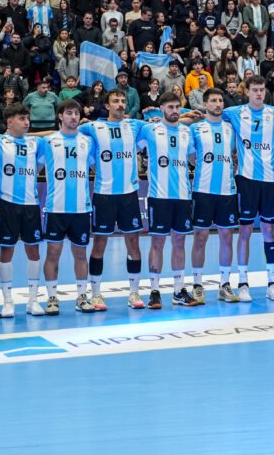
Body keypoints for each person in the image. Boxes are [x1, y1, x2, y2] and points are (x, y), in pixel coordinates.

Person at [223, 74, 274, 299]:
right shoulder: (236, 113)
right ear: (247, 91)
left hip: (270, 180)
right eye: (255, 90)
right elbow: (207, 114)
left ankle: (272, 283)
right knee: (244, 231)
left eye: (262, 90)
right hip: (246, 180)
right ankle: (243, 283)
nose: (258, 93)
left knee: (268, 230)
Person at [83, 89, 149, 308]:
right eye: (115, 101)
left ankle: (134, 293)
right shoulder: (94, 127)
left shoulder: (136, 126)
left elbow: (167, 118)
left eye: (123, 101)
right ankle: (96, 293)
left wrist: (189, 115)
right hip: (104, 194)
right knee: (100, 242)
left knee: (133, 242)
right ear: (107, 106)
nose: (120, 104)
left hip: (129, 194)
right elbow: (65, 129)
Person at [36, 98, 99, 312]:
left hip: (82, 208)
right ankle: (52, 298)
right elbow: (35, 168)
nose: (74, 117)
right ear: (60, 116)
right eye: (69, 113)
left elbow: (95, 166)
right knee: (53, 253)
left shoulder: (88, 142)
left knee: (80, 254)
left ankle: (82, 296)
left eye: (76, 113)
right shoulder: (49, 142)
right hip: (56, 208)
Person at [139, 92, 195, 307]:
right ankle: (154, 290)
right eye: (170, 107)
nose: (174, 111)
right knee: (158, 242)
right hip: (158, 196)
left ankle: (179, 290)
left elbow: (191, 157)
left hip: (182, 195)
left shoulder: (186, 132)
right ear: (161, 108)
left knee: (179, 241)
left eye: (177, 107)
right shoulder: (149, 129)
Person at [188, 87, 239, 303]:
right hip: (203, 190)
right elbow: (191, 156)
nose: (218, 104)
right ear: (205, 104)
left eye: (220, 100)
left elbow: (236, 153)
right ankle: (198, 285)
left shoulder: (231, 128)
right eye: (213, 101)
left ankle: (224, 284)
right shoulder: (196, 128)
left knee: (227, 237)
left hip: (227, 191)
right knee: (200, 237)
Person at [0, 105, 46, 316]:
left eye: (28, 119)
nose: (26, 122)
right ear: (9, 122)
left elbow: (54, 134)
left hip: (31, 205)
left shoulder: (35, 142)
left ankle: (33, 300)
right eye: (21, 118)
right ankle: (8, 301)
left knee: (33, 251)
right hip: (7, 204)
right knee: (6, 250)